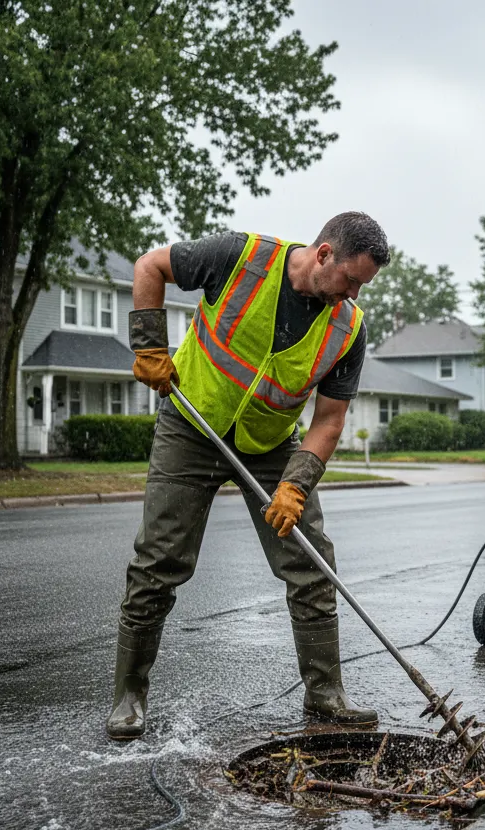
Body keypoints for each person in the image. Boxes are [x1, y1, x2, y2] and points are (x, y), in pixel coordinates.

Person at [105, 212, 390, 741]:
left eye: (361, 286)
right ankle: (128, 697)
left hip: (268, 443)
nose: (352, 293)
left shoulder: (348, 327)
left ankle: (326, 696)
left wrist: (295, 484)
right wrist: (149, 344)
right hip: (190, 424)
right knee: (158, 562)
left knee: (310, 562)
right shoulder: (241, 257)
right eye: (350, 279)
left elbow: (329, 421)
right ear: (324, 253)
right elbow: (150, 266)